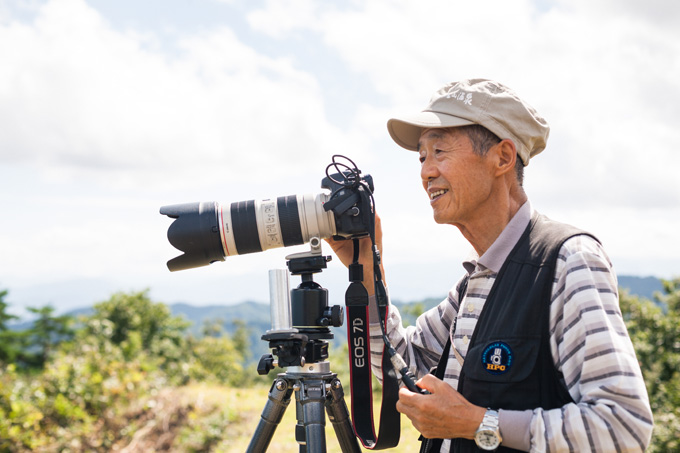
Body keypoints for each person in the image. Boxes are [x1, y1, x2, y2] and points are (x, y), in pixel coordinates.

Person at [327, 79, 654, 452]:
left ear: (502, 157)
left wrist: (477, 423)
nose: (425, 172)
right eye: (422, 156)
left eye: (439, 151)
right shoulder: (476, 280)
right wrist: (367, 268)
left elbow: (623, 427)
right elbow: (406, 362)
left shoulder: (568, 261)